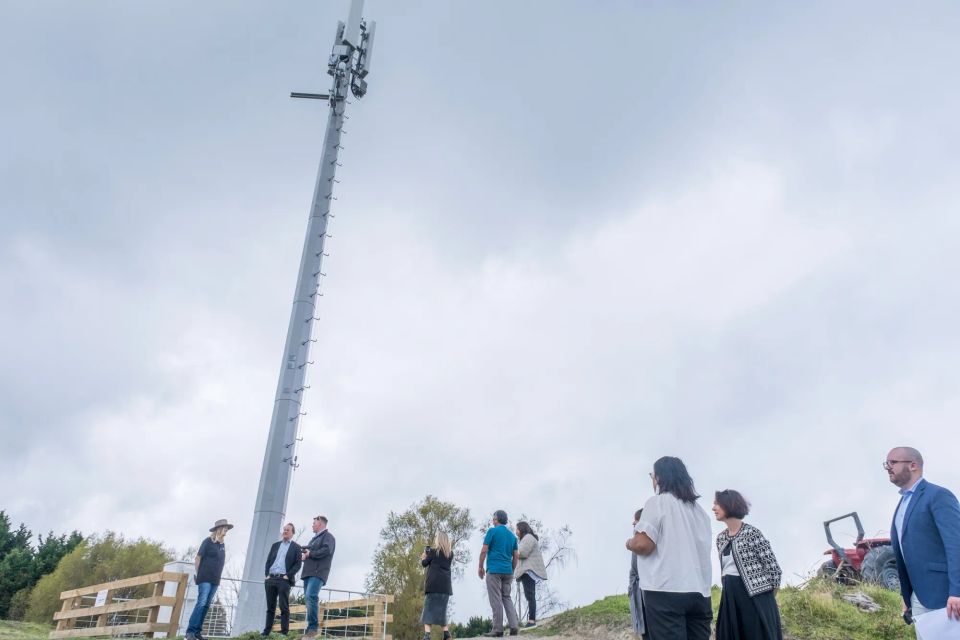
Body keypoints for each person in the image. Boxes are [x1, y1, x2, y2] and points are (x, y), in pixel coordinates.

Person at [626, 457, 712, 640]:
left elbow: (643, 544)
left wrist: (629, 542)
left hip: (665, 591)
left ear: (659, 478)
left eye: (652, 476)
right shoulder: (700, 513)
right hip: (700, 593)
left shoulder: (657, 503)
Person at [886, 447, 960, 635]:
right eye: (886, 463)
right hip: (918, 597)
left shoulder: (937, 495)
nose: (888, 467)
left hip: (946, 594)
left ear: (913, 465)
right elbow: (906, 554)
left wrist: (957, 591)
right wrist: (907, 595)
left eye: (893, 462)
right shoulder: (902, 504)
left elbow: (956, 544)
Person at [712, 489, 783, 640]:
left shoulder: (752, 533)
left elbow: (774, 570)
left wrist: (766, 600)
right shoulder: (721, 538)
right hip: (730, 596)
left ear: (729, 504)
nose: (713, 508)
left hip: (755, 596)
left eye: (717, 504)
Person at [186, 519, 232, 640]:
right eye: (225, 528)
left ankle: (197, 632)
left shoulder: (222, 545)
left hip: (215, 580)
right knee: (201, 603)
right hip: (204, 577)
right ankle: (190, 632)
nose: (226, 530)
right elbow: (198, 558)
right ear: (218, 529)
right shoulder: (207, 541)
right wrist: (198, 574)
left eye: (227, 528)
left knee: (206, 605)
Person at [478, 510, 520, 637]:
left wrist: (480, 567)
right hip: (507, 571)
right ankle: (514, 626)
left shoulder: (492, 531)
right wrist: (512, 569)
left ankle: (498, 629)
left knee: (496, 599)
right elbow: (516, 556)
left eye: (493, 518)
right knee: (506, 597)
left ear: (497, 519)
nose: (492, 520)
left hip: (494, 570)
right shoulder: (512, 536)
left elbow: (484, 550)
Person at [263, 523, 303, 637]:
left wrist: (288, 575)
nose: (285, 531)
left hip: (283, 580)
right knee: (270, 607)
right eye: (284, 530)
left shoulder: (296, 547)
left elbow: (298, 564)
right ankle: (266, 632)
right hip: (271, 579)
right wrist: (267, 574)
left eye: (288, 530)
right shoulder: (275, 545)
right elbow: (268, 561)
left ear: (292, 533)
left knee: (283, 607)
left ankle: (284, 633)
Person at [301, 515, 336, 638]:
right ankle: (310, 629)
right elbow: (308, 551)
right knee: (308, 599)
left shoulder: (328, 537)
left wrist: (311, 554)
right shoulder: (313, 540)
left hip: (318, 572)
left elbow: (326, 551)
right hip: (308, 573)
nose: (312, 525)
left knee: (311, 596)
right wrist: (303, 553)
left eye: (314, 523)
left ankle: (312, 628)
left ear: (320, 523)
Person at [419, 531, 453, 640]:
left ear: (438, 540)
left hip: (433, 586)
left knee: (428, 610)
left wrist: (424, 556)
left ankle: (427, 636)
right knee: (442, 611)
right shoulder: (450, 554)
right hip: (445, 587)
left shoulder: (433, 552)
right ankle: (446, 634)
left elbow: (424, 564)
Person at [514, 521, 548, 629]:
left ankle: (532, 620)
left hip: (528, 570)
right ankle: (531, 620)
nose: (516, 531)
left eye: (517, 529)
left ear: (522, 529)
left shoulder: (528, 537)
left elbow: (523, 553)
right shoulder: (527, 538)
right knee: (529, 595)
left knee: (530, 595)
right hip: (528, 571)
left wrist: (512, 552)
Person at [628, 509, 645, 637]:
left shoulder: (640, 542)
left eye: (636, 522)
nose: (633, 525)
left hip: (646, 596)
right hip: (639, 593)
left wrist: (629, 544)